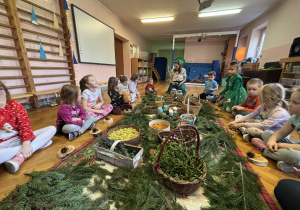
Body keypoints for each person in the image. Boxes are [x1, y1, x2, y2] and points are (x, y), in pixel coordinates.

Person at [0, 81, 56, 174]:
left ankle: (21, 156)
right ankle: (36, 146)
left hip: (18, 140)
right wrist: (1, 108)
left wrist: (26, 144)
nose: (0, 93)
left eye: (1, 89)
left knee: (51, 129)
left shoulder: (14, 105)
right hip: (2, 147)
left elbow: (24, 125)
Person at [250, 88, 300, 174]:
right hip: (295, 146)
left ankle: (265, 149)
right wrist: (272, 139)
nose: (289, 105)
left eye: (295, 103)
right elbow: (280, 133)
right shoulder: (295, 118)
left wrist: (278, 145)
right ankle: (284, 159)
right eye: (290, 101)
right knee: (267, 133)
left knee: (296, 157)